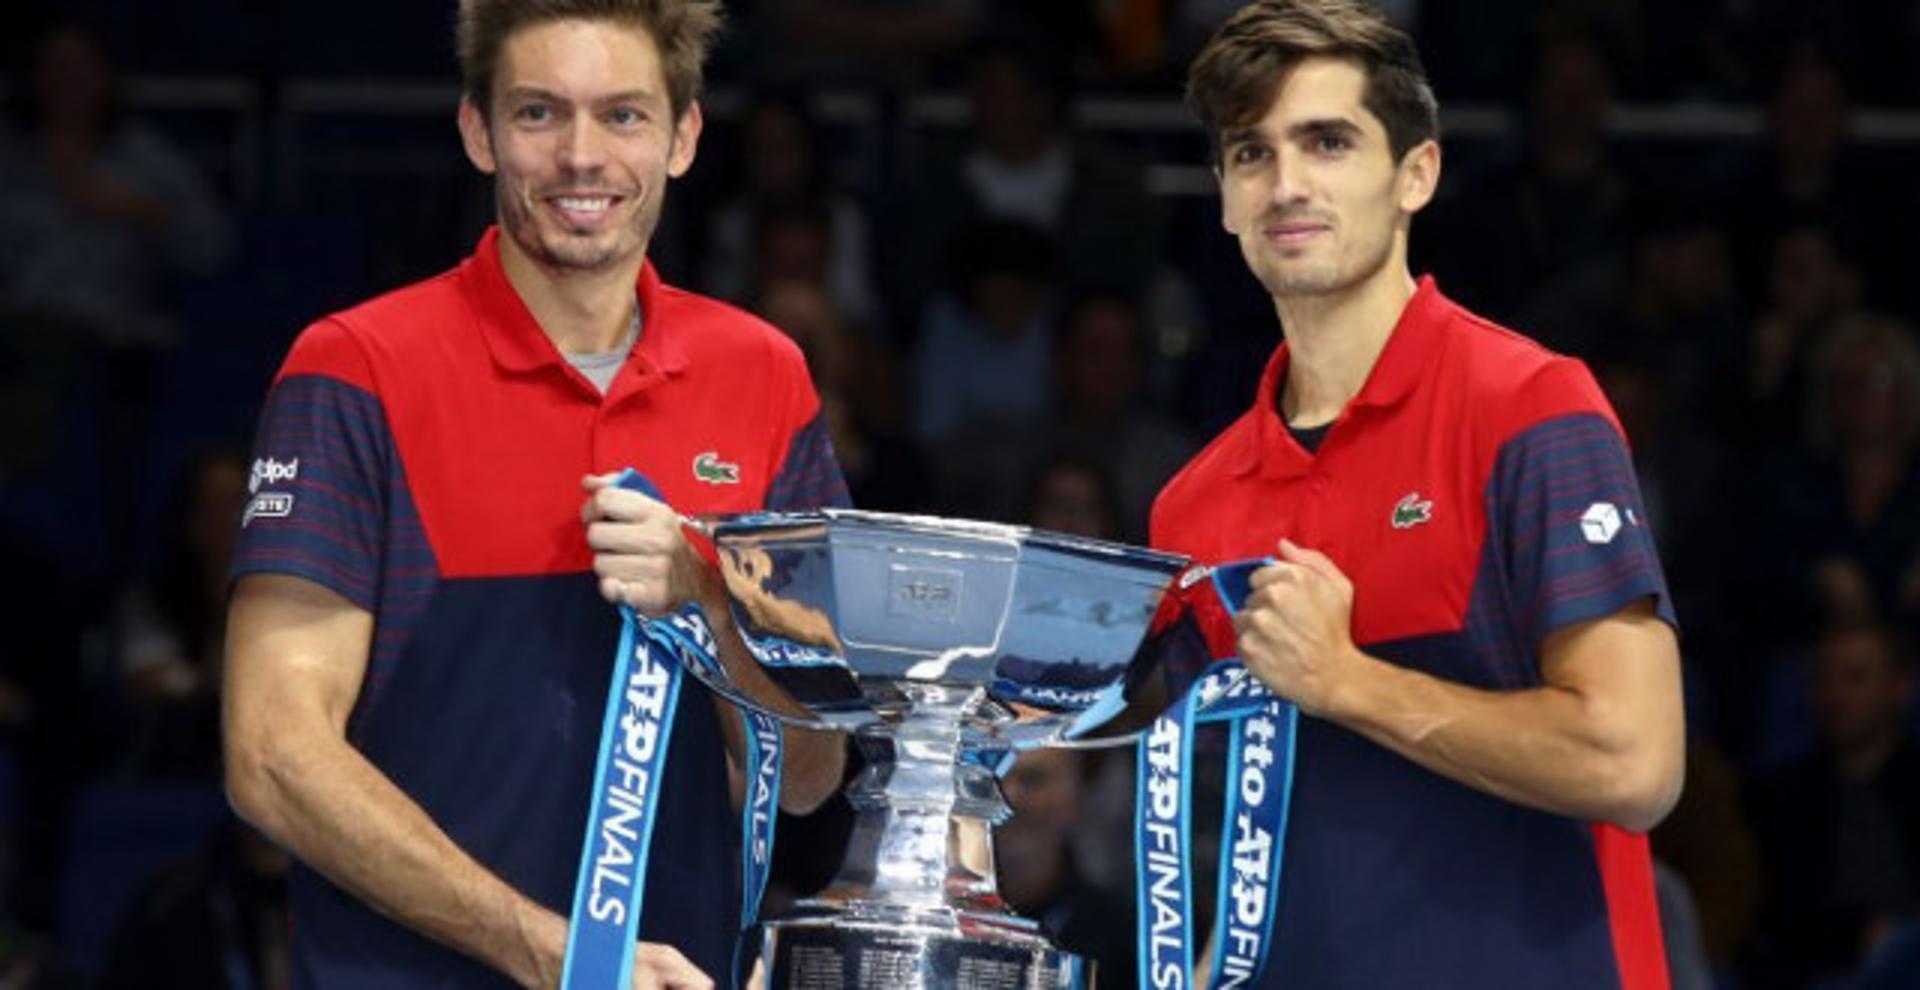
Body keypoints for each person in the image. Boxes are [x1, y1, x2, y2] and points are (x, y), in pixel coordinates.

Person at [221, 2, 849, 988]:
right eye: (540, 114)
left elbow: (812, 778)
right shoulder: (357, 366)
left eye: (625, 117)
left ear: (684, 137)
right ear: (479, 131)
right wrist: (553, 953)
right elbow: (270, 752)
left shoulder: (763, 375)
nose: (582, 157)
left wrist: (715, 598)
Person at [1150, 3, 1685, 987]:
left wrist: (1347, 681)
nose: (1288, 185)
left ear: (1416, 176)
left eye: (1328, 141)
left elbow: (1634, 764)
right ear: (1223, 199)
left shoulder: (1529, 407)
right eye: (1250, 154)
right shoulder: (1193, 502)